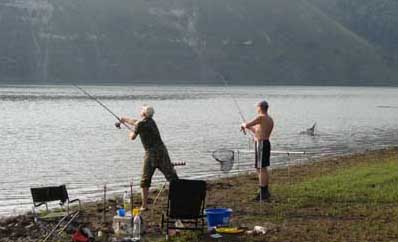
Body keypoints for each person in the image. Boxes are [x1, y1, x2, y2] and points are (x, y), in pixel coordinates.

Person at [120, 105, 178, 210]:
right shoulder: (151, 121)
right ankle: (179, 200)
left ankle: (144, 206)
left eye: (142, 110)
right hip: (162, 152)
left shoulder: (141, 124)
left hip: (151, 154)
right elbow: (135, 122)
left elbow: (132, 137)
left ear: (144, 113)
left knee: (145, 180)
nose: (140, 110)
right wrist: (124, 119)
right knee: (172, 177)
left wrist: (130, 133)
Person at [240, 100, 274, 201]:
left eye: (257, 107)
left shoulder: (261, 117)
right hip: (264, 143)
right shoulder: (268, 119)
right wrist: (248, 127)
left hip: (261, 144)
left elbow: (247, 124)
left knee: (261, 168)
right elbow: (256, 130)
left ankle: (263, 192)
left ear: (260, 107)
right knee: (261, 167)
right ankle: (264, 191)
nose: (256, 109)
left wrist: (243, 125)